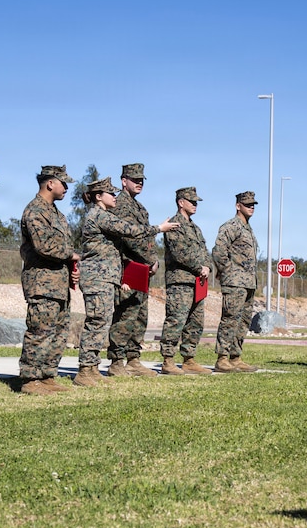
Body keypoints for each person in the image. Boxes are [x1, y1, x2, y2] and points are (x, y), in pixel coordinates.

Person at [75, 177, 178, 387]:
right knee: (96, 322)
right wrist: (159, 228)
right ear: (98, 197)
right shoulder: (100, 216)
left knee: (101, 322)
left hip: (105, 277)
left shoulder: (102, 215)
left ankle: (92, 368)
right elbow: (129, 229)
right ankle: (85, 370)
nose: (114, 197)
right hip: (97, 277)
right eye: (110, 193)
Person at [18, 165, 80, 396]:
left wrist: (71, 267)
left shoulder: (56, 213)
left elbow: (64, 246)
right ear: (50, 183)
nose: (66, 188)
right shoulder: (35, 210)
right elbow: (43, 245)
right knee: (40, 330)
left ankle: (47, 374)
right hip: (41, 281)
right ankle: (30, 378)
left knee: (58, 331)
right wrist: (71, 255)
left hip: (59, 283)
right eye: (63, 183)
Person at [107, 163, 161, 378]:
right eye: (134, 179)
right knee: (126, 314)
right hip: (127, 267)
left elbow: (148, 237)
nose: (139, 183)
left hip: (142, 268)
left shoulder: (140, 208)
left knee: (140, 314)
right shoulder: (120, 205)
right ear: (123, 181)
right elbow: (131, 238)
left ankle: (133, 358)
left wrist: (153, 260)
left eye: (141, 180)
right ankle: (116, 361)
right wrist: (150, 259)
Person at [161, 186, 213, 375]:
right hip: (180, 281)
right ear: (181, 202)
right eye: (192, 201)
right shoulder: (174, 224)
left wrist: (208, 266)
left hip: (197, 282)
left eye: (196, 202)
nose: (195, 205)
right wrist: (200, 267)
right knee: (176, 320)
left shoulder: (195, 228)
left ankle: (189, 359)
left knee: (196, 322)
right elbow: (179, 252)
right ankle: (168, 360)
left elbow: (204, 252)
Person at [211, 191, 260, 373]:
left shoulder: (248, 228)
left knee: (243, 321)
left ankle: (235, 356)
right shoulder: (231, 226)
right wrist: (228, 273)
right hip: (235, 282)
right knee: (230, 319)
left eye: (253, 204)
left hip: (248, 283)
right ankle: (222, 358)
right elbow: (218, 251)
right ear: (238, 206)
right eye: (248, 204)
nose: (252, 207)